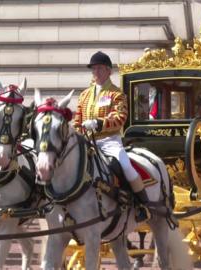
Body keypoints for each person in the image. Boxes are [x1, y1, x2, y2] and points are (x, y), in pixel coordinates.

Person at [73, 51, 151, 222]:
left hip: (109, 141)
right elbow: (77, 118)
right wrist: (75, 130)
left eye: (100, 68)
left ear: (109, 71)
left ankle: (141, 204)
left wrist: (98, 123)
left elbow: (120, 118)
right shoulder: (84, 95)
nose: (96, 72)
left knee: (126, 166)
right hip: (87, 141)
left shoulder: (117, 94)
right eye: (94, 69)